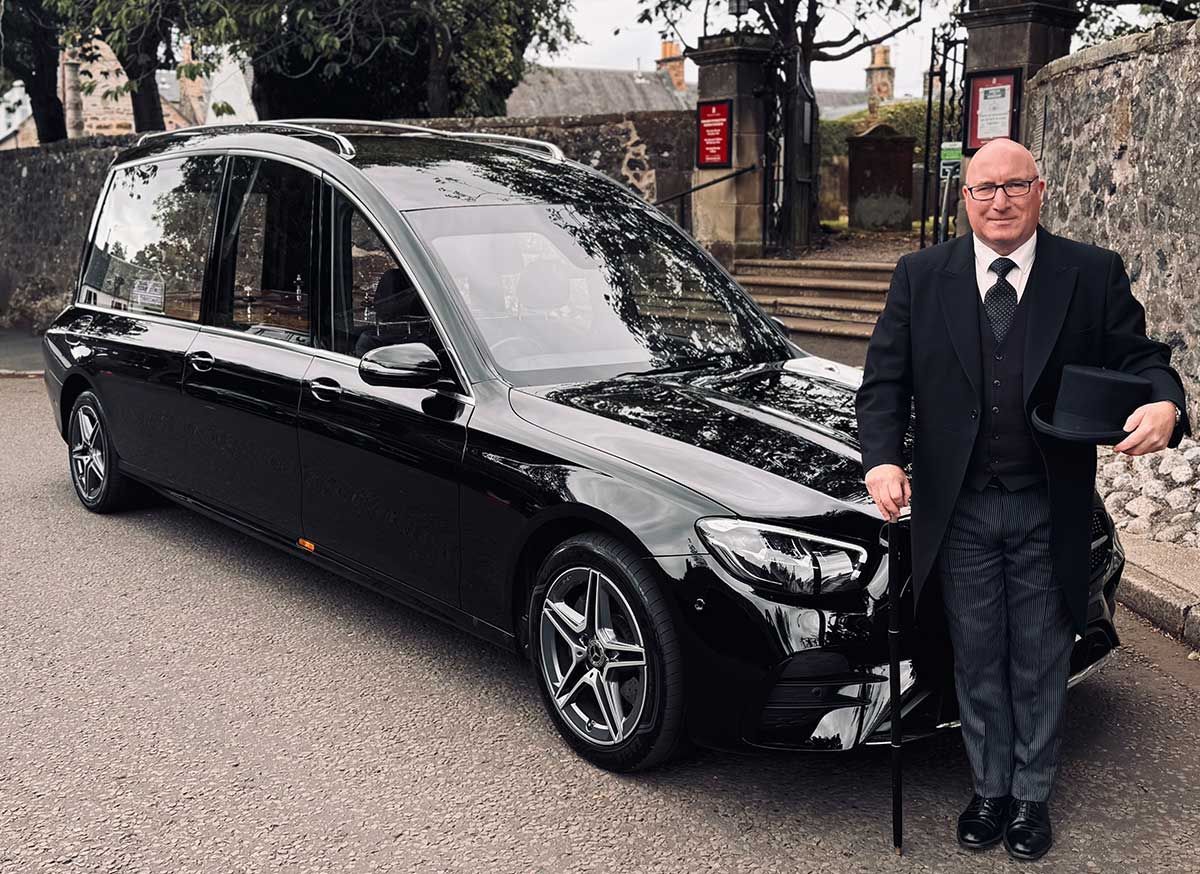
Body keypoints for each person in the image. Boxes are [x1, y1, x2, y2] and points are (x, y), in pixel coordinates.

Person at [855, 138, 1190, 861]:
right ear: (964, 198)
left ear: (1041, 191)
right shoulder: (921, 275)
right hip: (961, 506)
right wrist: (881, 457)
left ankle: (1032, 796)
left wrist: (1166, 405)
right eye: (984, 189)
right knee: (976, 654)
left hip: (1047, 501)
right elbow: (885, 382)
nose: (999, 201)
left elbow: (1143, 360)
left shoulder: (1089, 273)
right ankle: (990, 788)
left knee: (1039, 655)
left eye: (1014, 186)